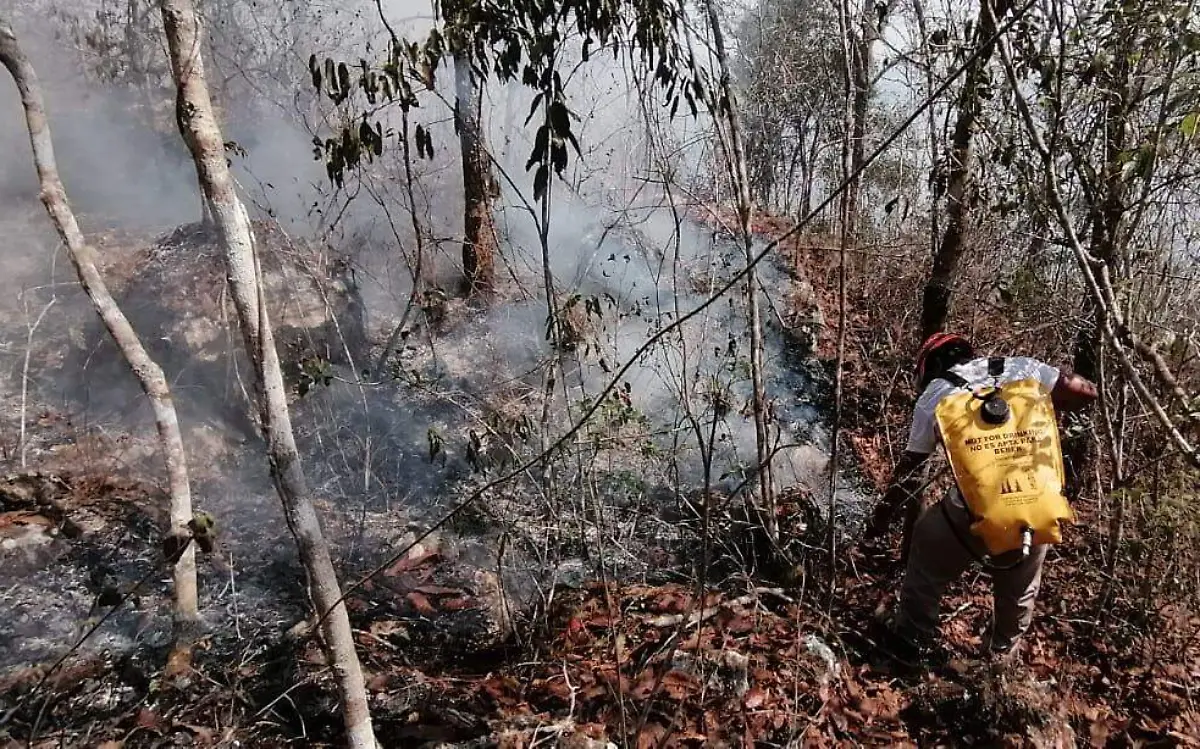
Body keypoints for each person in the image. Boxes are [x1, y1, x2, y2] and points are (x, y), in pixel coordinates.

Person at [862, 332, 1098, 662]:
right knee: (1019, 593)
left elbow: (909, 478)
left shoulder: (935, 394)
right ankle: (999, 666)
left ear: (929, 366)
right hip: (1038, 507)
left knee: (926, 557)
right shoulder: (1023, 369)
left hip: (970, 515)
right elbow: (1086, 391)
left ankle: (911, 645)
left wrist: (877, 524)